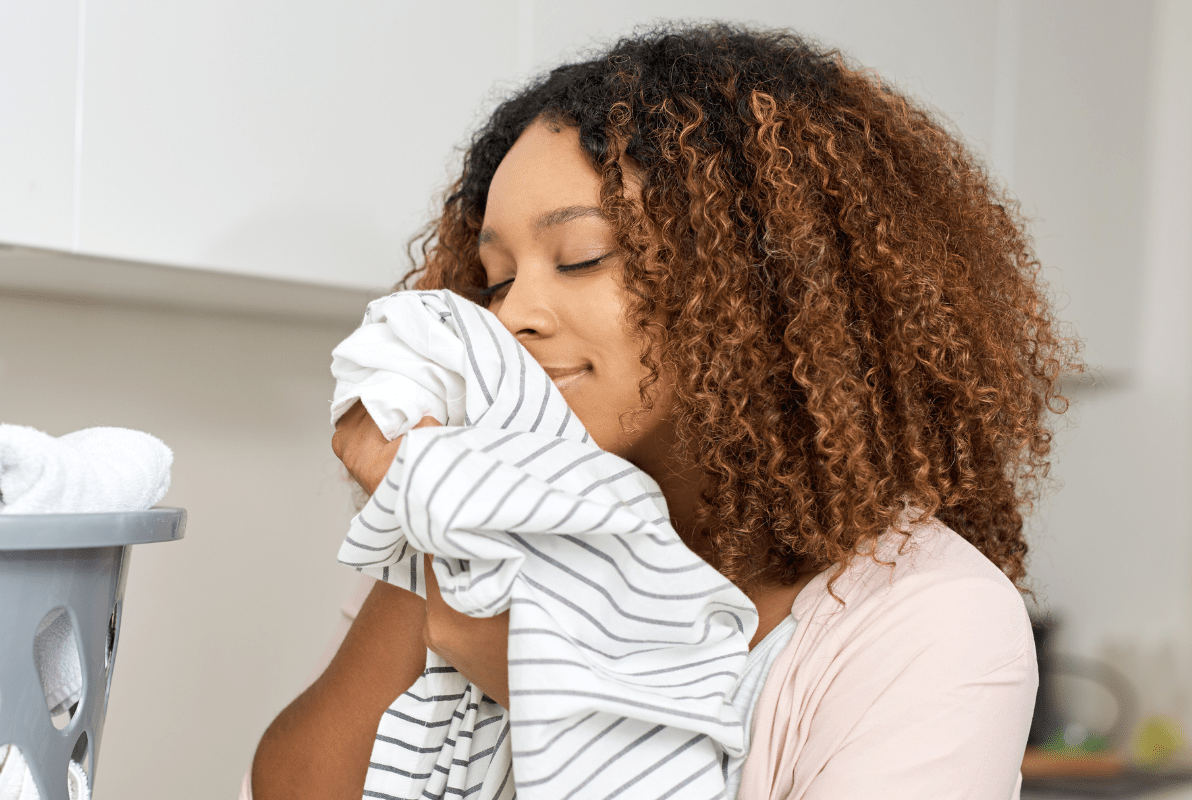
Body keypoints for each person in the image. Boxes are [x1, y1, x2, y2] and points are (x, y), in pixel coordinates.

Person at [252, 21, 1073, 799]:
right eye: (497, 277)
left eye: (581, 258)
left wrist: (544, 685)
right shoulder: (503, 517)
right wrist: (430, 515)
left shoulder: (933, 619)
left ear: (762, 281)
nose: (510, 317)